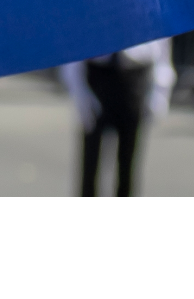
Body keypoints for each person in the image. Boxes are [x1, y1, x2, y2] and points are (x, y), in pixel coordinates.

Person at [61, 40, 176, 197]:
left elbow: (162, 42)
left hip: (134, 75)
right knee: (90, 162)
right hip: (98, 74)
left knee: (128, 162)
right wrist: (78, 89)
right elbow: (75, 39)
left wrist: (160, 90)